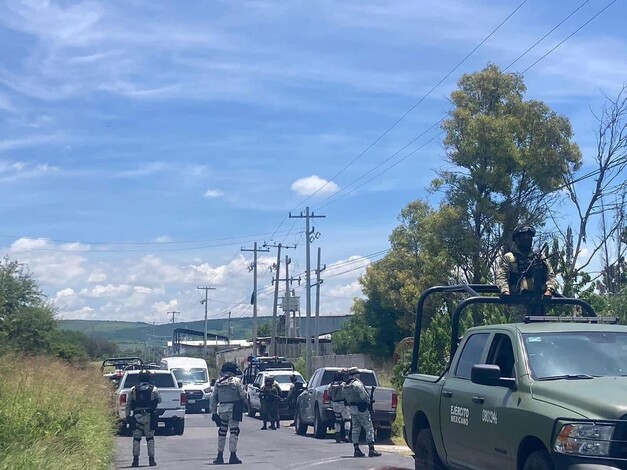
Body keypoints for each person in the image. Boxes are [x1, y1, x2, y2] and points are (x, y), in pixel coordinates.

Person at [496, 225, 557, 320]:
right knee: (520, 330)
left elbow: (551, 276)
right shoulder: (509, 257)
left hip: (539, 301)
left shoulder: (539, 257)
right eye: (523, 235)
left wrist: (549, 290)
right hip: (519, 302)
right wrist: (505, 292)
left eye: (529, 236)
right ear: (516, 239)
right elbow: (501, 277)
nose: (526, 238)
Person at [210, 362, 246, 465]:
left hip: (222, 409)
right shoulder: (237, 381)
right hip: (234, 409)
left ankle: (220, 456)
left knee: (222, 432)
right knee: (234, 432)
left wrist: (213, 412)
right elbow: (242, 395)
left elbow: (213, 398)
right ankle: (233, 456)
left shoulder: (218, 382)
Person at [125, 369, 161, 467]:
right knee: (150, 439)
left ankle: (135, 460)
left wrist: (127, 415)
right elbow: (159, 400)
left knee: (136, 439)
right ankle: (151, 460)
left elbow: (128, 404)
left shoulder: (133, 389)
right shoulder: (154, 389)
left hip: (137, 416)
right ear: (149, 378)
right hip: (149, 417)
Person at [342, 367, 381, 458]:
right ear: (356, 374)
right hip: (362, 408)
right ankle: (371, 449)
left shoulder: (345, 385)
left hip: (352, 408)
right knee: (369, 427)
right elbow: (364, 396)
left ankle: (356, 449)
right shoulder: (357, 384)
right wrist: (368, 402)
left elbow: (345, 398)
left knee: (355, 428)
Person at [328, 369, 350, 443]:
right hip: (343, 404)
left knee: (337, 420)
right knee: (347, 419)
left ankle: (337, 435)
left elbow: (329, 395)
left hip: (335, 404)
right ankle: (347, 435)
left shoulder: (330, 385)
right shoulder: (344, 385)